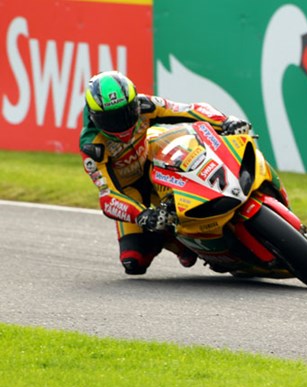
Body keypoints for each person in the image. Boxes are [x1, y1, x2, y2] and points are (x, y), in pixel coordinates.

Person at [79, 70, 252, 275]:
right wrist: (143, 215)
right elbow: (108, 197)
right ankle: (181, 244)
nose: (122, 124)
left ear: (134, 102)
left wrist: (225, 121)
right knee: (133, 262)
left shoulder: (146, 105)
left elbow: (190, 110)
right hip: (129, 191)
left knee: (197, 188)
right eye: (112, 119)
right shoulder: (92, 147)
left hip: (157, 167)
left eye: (126, 113)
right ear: (94, 116)